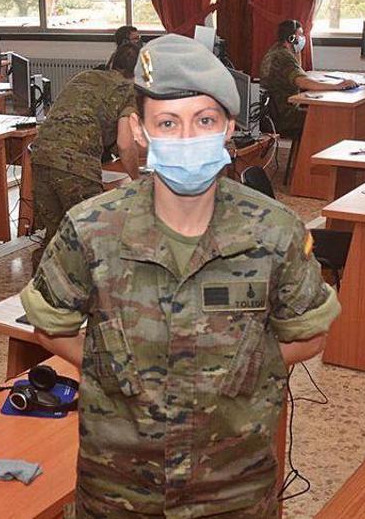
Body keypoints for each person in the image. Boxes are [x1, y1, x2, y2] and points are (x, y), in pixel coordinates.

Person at [20, 34, 340, 517]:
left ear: (229, 128)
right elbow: (50, 324)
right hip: (119, 489)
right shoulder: (90, 228)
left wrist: (246, 369)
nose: (188, 139)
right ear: (139, 130)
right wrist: (108, 370)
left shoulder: (275, 231)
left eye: (204, 121)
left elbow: (310, 332)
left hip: (232, 489)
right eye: (168, 122)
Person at [31, 43, 140, 253]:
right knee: (92, 238)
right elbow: (125, 144)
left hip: (40, 156)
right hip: (76, 165)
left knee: (54, 239)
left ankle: (43, 284)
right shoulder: (129, 91)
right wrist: (137, 180)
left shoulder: (84, 76)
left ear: (111, 62)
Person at [258, 19, 358, 136]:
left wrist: (296, 50)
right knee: (328, 119)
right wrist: (337, 86)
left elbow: (298, 72)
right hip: (285, 116)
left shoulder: (277, 50)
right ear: (292, 38)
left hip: (274, 113)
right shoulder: (283, 57)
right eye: (300, 35)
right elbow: (302, 82)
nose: (302, 38)